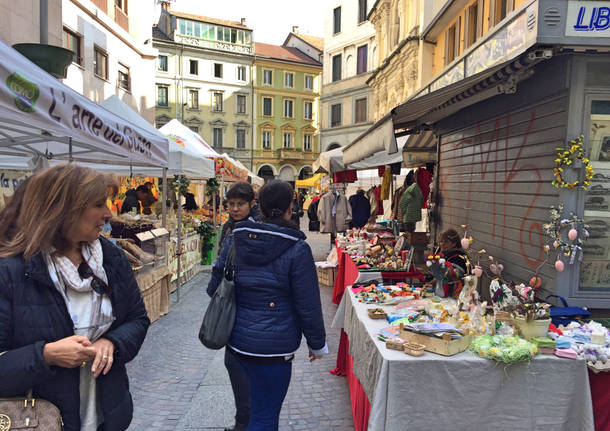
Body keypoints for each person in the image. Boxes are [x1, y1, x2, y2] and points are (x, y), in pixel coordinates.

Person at [0, 164, 150, 431]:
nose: (109, 213)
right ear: (62, 210)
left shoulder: (111, 258)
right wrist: (45, 355)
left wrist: (112, 342)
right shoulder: (12, 269)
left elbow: (137, 319)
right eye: (97, 204)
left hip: (107, 416)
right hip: (39, 420)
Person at [207, 180, 327, 431]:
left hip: (237, 342)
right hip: (275, 349)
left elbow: (213, 287)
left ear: (258, 207)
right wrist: (316, 344)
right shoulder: (297, 248)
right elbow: (308, 304)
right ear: (290, 208)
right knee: (265, 417)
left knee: (250, 412)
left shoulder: (236, 239)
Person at [213, 181, 261, 431]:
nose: (234, 208)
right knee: (234, 362)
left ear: (251, 204)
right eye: (231, 204)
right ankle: (243, 419)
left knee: (238, 363)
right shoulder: (228, 227)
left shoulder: (253, 229)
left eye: (240, 204)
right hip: (231, 297)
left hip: (242, 299)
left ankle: (245, 422)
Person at [438, 228, 468, 298]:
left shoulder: (458, 257)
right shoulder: (446, 254)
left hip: (457, 294)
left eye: (447, 242)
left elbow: (456, 275)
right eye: (441, 241)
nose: (442, 244)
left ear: (454, 244)